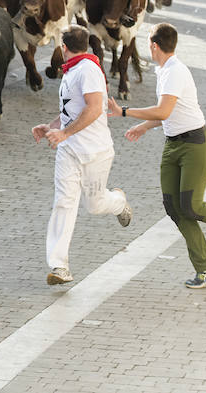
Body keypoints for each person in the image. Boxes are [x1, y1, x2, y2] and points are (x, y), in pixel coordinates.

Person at [108, 23, 206, 289]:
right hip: (173, 144)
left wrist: (125, 112)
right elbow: (169, 111)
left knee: (192, 206)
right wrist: (144, 125)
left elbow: (163, 111)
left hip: (195, 144)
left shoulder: (175, 71)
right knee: (174, 207)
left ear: (153, 45)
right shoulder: (164, 70)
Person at [32, 25, 133, 286]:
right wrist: (52, 127)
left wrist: (64, 133)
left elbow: (94, 108)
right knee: (64, 203)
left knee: (95, 205)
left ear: (64, 48)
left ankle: (119, 202)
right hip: (69, 152)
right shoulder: (73, 69)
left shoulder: (87, 70)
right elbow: (71, 110)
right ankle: (59, 265)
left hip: (95, 152)